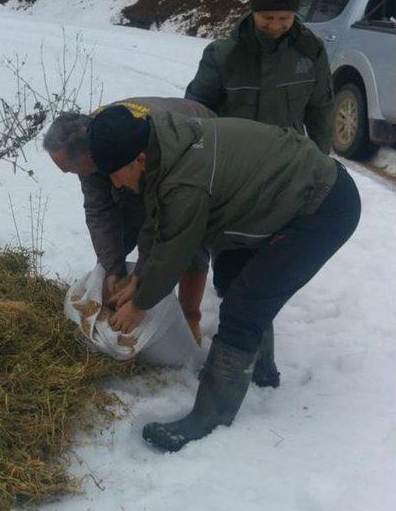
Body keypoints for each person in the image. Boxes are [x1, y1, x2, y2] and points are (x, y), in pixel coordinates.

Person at [84, 104, 360, 452]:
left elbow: (176, 249)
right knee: (232, 272)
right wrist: (139, 276)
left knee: (246, 305)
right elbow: (158, 223)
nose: (114, 183)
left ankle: (210, 417)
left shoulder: (184, 176)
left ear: (138, 159)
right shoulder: (162, 148)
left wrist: (139, 305)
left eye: (114, 174)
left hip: (321, 207)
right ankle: (257, 371)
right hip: (278, 199)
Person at [184, 0, 335, 387]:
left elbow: (322, 108)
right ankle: (227, 346)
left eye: (284, 18)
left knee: (264, 270)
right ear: (252, 13)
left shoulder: (310, 52)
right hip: (233, 175)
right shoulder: (224, 54)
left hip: (286, 176)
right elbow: (196, 107)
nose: (275, 26)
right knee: (231, 266)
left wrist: (321, 161)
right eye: (267, 17)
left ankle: (255, 359)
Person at [43, 97, 213, 343]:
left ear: (90, 155)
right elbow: (99, 210)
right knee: (119, 235)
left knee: (188, 237)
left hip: (198, 142)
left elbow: (163, 224)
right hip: (135, 169)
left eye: (70, 169)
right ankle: (123, 287)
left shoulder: (133, 144)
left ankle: (189, 317)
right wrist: (113, 268)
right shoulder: (94, 144)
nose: (69, 174)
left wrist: (141, 288)